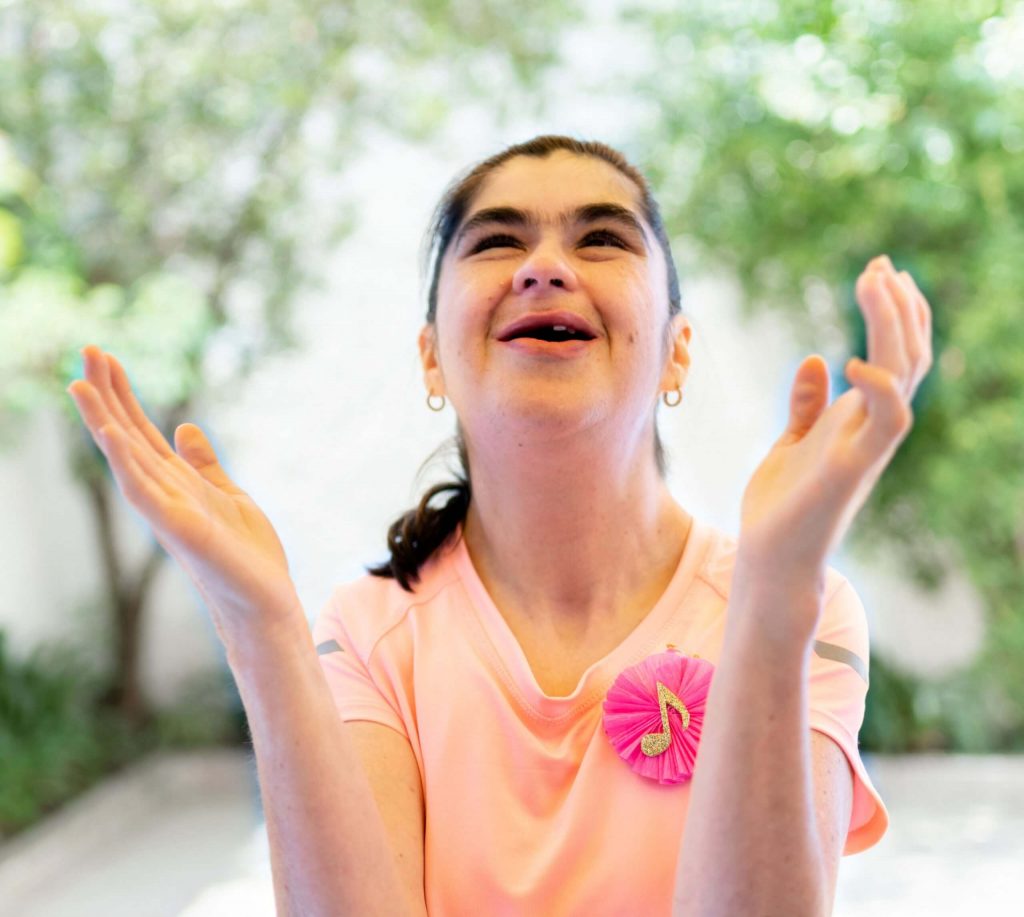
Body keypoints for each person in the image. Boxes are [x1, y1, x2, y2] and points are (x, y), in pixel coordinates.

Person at [67, 134, 933, 916]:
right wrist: (257, 625)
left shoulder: (805, 608)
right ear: (432, 355)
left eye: (601, 238)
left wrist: (777, 595)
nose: (544, 267)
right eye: (497, 241)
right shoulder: (370, 635)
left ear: (677, 348)